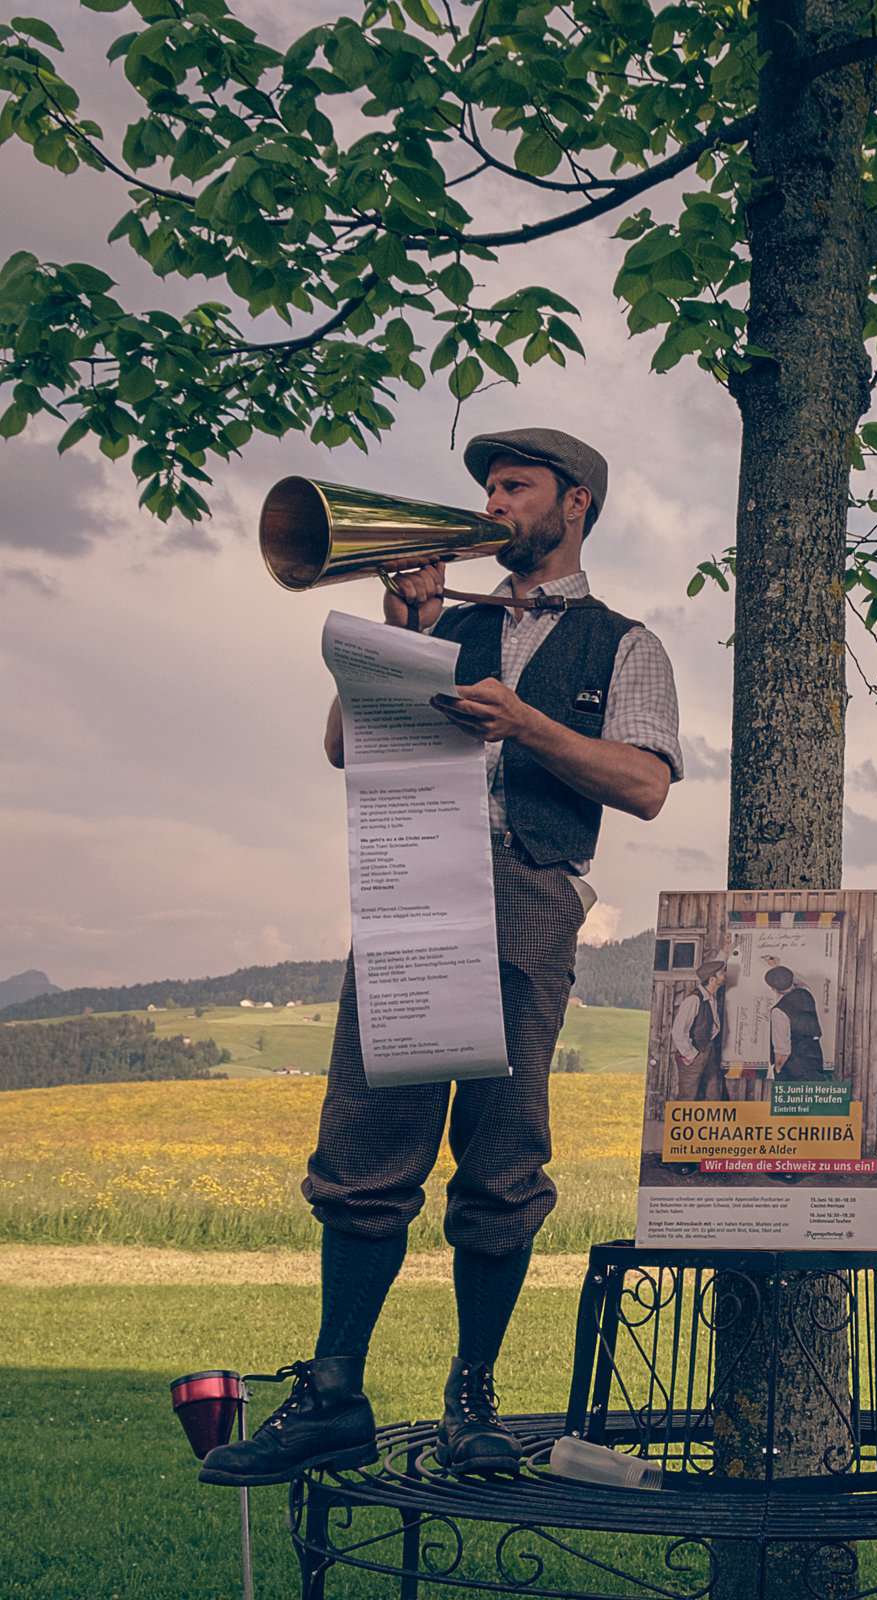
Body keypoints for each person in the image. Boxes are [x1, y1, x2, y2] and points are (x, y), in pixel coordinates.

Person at [201, 427, 682, 1486]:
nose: (496, 503)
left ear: (577, 503)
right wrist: (399, 633)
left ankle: (474, 1396)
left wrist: (525, 723)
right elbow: (343, 746)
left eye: (516, 487)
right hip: (413, 886)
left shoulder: (625, 641)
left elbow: (644, 783)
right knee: (367, 1146)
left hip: (531, 895)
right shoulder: (440, 617)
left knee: (503, 1159)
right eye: (490, 488)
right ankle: (334, 1390)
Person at [672, 959, 728, 1101]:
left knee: (714, 1094)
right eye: (722, 972)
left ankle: (714, 1124)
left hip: (708, 1052)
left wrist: (726, 949)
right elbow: (678, 1032)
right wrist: (691, 1055)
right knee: (687, 1097)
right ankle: (682, 1124)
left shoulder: (710, 996)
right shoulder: (694, 1000)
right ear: (712, 979)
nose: (725, 974)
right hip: (693, 1056)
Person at [765, 966, 828, 1081]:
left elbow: (783, 1051)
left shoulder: (778, 1012)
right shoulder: (805, 991)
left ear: (773, 988)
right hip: (814, 1057)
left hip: (793, 1067)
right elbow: (797, 982)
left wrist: (778, 1071)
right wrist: (776, 967)